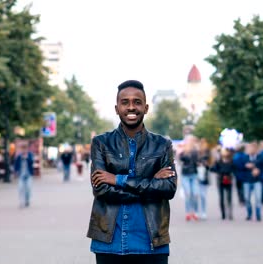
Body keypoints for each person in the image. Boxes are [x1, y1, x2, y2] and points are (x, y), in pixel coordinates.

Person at [88, 80, 176, 264]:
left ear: (146, 107)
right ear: (116, 108)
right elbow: (102, 191)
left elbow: (168, 189)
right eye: (125, 102)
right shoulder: (101, 143)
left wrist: (117, 179)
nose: (131, 107)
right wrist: (150, 183)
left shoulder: (162, 145)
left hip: (152, 244)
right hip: (109, 243)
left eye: (137, 102)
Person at [179, 136, 199, 221]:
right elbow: (181, 159)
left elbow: (197, 160)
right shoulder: (183, 151)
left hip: (194, 174)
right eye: (188, 141)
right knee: (188, 194)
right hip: (185, 174)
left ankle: (195, 212)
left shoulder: (195, 151)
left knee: (195, 194)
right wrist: (183, 151)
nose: (189, 142)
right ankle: (188, 212)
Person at [211, 148, 234, 220]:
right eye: (223, 152)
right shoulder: (218, 161)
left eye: (226, 152)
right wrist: (219, 171)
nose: (224, 153)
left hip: (229, 180)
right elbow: (212, 169)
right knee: (221, 198)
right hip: (220, 180)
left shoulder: (231, 161)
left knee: (229, 198)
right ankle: (223, 214)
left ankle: (230, 213)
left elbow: (234, 169)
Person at [197, 138, 211, 220]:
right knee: (196, 195)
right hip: (196, 175)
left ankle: (203, 211)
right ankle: (197, 211)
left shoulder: (207, 153)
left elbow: (209, 165)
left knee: (203, 195)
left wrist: (205, 164)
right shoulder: (196, 153)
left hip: (204, 176)